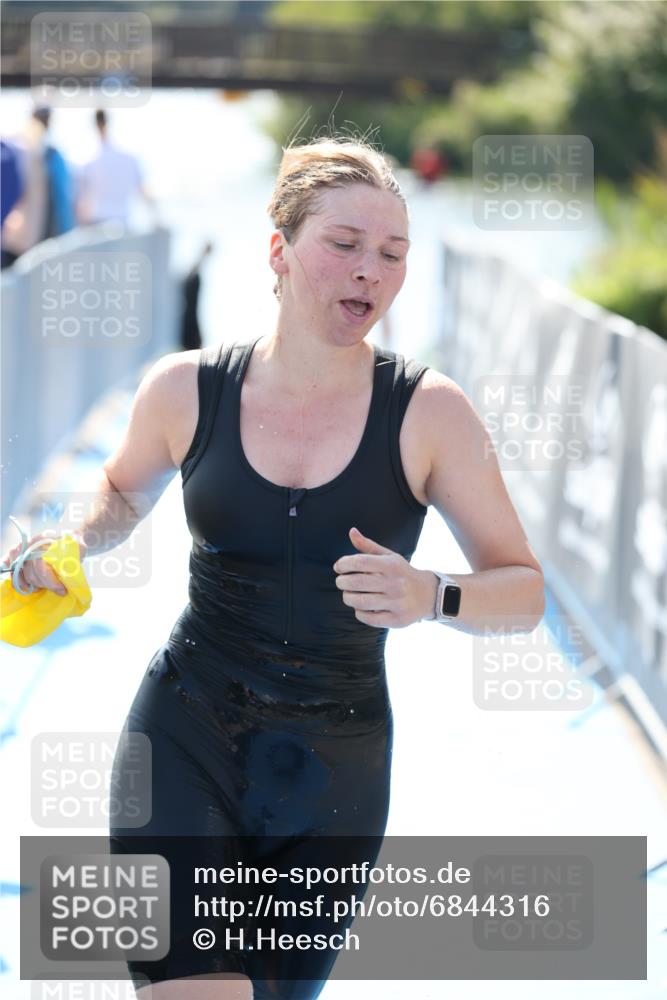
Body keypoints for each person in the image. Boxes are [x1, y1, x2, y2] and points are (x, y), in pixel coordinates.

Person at [3, 135, 545, 999]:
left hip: (334, 770)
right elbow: (113, 493)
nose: (370, 271)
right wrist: (60, 541)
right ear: (278, 252)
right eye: (344, 244)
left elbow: (522, 593)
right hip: (185, 734)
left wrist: (431, 593)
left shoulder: (431, 413)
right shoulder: (185, 389)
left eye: (392, 254)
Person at [76, 108, 153, 226]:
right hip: (124, 225)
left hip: (98, 227)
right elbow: (145, 194)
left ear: (95, 125)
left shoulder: (88, 164)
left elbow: (82, 206)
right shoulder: (130, 159)